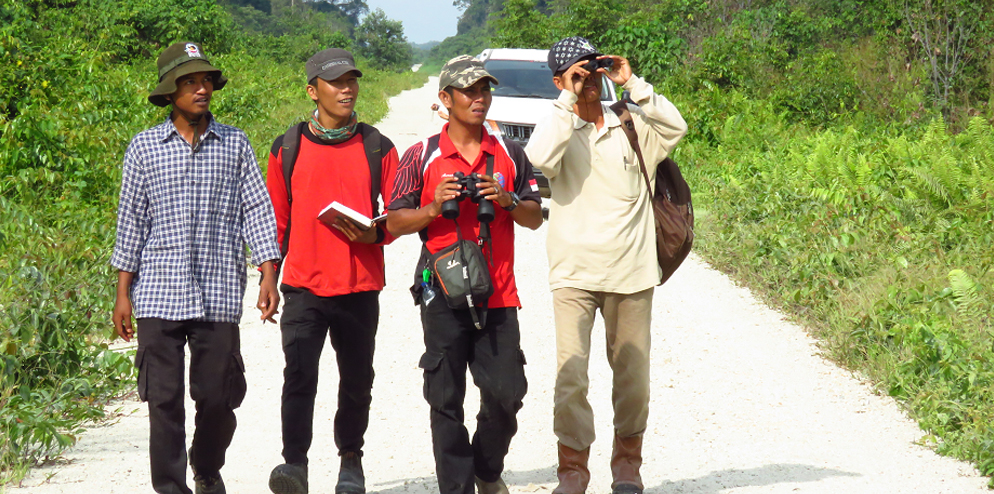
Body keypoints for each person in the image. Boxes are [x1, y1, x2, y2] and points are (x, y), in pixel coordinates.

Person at [111, 41, 282, 494]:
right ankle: (170, 487)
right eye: (190, 82)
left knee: (217, 396)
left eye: (206, 80)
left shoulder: (235, 144)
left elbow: (258, 211)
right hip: (157, 293)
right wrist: (122, 293)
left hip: (218, 292)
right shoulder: (144, 149)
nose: (201, 89)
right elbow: (131, 222)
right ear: (171, 93)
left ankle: (206, 466)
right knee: (163, 401)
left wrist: (268, 274)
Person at [524, 37, 688, 494]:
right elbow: (536, 159)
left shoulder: (631, 124)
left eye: (592, 70)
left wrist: (631, 82)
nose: (588, 80)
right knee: (571, 375)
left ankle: (627, 467)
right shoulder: (559, 130)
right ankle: (573, 472)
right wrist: (566, 98)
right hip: (574, 275)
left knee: (632, 377)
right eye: (576, 74)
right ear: (559, 81)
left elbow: (677, 126)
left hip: (631, 274)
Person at [386, 55, 543, 494]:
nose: (479, 99)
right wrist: (435, 206)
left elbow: (535, 218)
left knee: (507, 393)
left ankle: (486, 469)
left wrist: (507, 199)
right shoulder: (422, 155)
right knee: (445, 396)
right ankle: (455, 486)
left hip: (498, 292)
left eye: (485, 90)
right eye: (469, 91)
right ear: (444, 98)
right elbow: (394, 223)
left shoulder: (510, 153)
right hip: (442, 292)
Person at [264, 48, 399, 494]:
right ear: (312, 90)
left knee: (357, 380)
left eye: (352, 81)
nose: (347, 89)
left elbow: (397, 215)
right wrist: (269, 279)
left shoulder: (378, 146)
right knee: (299, 375)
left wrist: (375, 235)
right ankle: (294, 465)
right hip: (303, 286)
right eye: (336, 82)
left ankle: (350, 461)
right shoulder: (288, 147)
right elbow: (276, 223)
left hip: (359, 286)